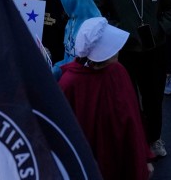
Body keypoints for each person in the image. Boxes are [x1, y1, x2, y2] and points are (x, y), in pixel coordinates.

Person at [95, 0, 171, 160]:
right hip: (125, 50)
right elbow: (100, 13)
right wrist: (118, 32)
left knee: (154, 98)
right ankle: (136, 140)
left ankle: (154, 138)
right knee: (129, 99)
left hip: (155, 49)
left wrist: (161, 28)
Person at [58, 17, 152, 180]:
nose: (117, 49)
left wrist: (144, 157)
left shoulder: (118, 71)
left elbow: (133, 119)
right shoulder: (69, 84)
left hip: (123, 158)